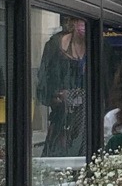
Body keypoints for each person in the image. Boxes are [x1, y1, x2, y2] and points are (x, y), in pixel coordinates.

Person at [36, 17, 87, 157]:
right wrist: (56, 97)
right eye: (81, 21)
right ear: (74, 22)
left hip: (87, 119)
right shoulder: (54, 46)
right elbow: (44, 83)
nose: (84, 26)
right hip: (62, 119)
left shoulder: (100, 47)